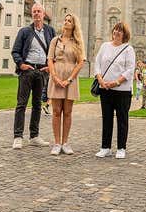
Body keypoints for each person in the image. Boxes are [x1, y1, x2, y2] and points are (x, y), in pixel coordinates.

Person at [10, 3, 55, 149]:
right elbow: (15, 51)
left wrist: (50, 66)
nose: (36, 14)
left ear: (43, 14)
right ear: (32, 14)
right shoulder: (24, 31)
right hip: (27, 71)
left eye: (39, 11)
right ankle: (18, 137)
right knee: (21, 104)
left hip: (42, 72)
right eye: (34, 12)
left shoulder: (50, 31)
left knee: (37, 105)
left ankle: (34, 136)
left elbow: (55, 51)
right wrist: (21, 64)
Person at [94, 21, 137, 159]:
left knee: (122, 118)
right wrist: (100, 79)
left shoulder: (128, 49)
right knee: (106, 118)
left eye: (120, 31)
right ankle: (105, 147)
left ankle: (121, 147)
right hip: (105, 88)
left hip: (122, 90)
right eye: (115, 30)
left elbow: (130, 69)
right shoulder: (105, 46)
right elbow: (97, 63)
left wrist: (116, 82)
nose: (116, 32)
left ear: (124, 34)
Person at [46, 13, 85, 155]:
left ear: (74, 25)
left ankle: (65, 143)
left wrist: (69, 79)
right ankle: (57, 143)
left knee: (67, 112)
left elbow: (80, 62)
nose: (66, 22)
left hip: (70, 78)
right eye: (65, 20)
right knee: (56, 112)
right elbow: (50, 59)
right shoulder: (55, 41)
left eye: (69, 21)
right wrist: (54, 76)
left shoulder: (76, 42)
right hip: (56, 76)